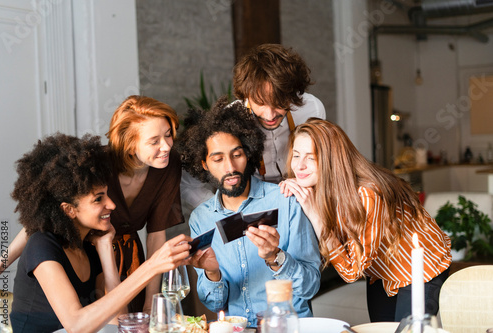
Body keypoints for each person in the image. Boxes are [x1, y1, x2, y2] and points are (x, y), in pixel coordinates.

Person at [0, 95, 184, 312]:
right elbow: (42, 218)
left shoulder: (169, 165)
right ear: (130, 145)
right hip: (89, 258)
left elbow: (156, 235)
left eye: (168, 135)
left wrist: (152, 301)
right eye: (154, 141)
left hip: (132, 260)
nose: (167, 146)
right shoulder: (94, 164)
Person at [9, 133, 191, 333]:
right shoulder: (42, 245)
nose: (112, 204)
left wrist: (106, 251)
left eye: (107, 194)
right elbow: (76, 325)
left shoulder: (88, 245)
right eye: (98, 199)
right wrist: (152, 266)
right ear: (69, 209)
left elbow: (117, 321)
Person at [279, 118, 452, 322]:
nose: (299, 166)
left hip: (422, 266)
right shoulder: (313, 190)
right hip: (380, 270)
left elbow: (351, 273)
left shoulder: (366, 195)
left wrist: (316, 216)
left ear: (332, 160)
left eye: (311, 158)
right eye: (296, 155)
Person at [178, 97, 321, 327]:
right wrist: (212, 273)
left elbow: (310, 287)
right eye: (218, 159)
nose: (230, 168)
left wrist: (276, 257)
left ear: (249, 153)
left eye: (237, 154)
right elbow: (215, 304)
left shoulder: (286, 201)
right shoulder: (202, 219)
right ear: (204, 164)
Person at [180, 43, 326, 215]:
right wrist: (226, 213)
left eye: (279, 103)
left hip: (303, 202)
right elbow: (188, 184)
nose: (270, 115)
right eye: (260, 103)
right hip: (253, 209)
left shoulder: (313, 109)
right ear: (246, 95)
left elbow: (323, 162)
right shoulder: (228, 121)